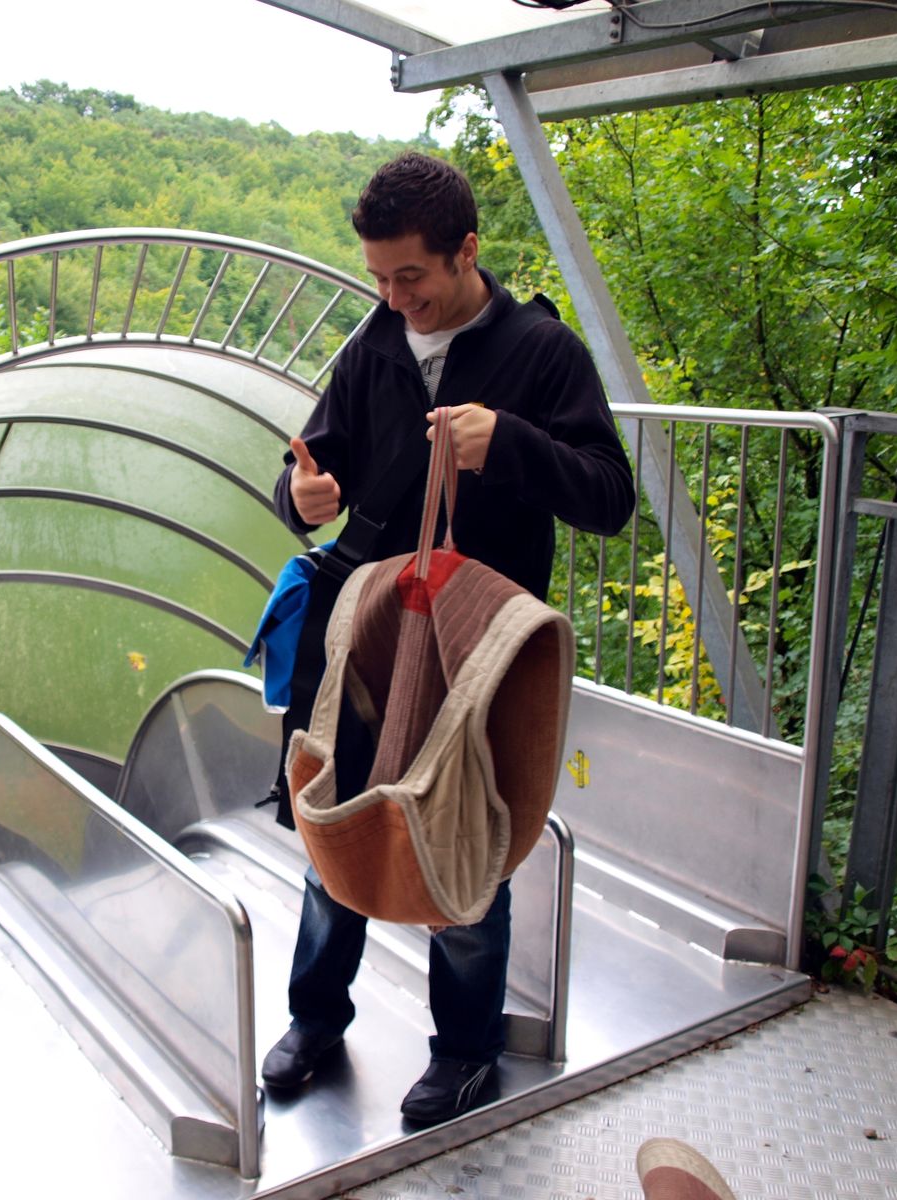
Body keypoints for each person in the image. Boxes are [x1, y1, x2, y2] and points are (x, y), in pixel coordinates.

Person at [262, 152, 636, 1124]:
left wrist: (508, 444)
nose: (395, 299)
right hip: (367, 629)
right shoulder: (375, 344)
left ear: (466, 251)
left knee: (463, 832)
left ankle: (466, 1050)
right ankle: (314, 1016)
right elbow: (314, 468)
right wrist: (302, 497)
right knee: (334, 817)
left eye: (411, 277)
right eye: (380, 279)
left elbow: (610, 497)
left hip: (476, 643)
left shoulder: (540, 352)